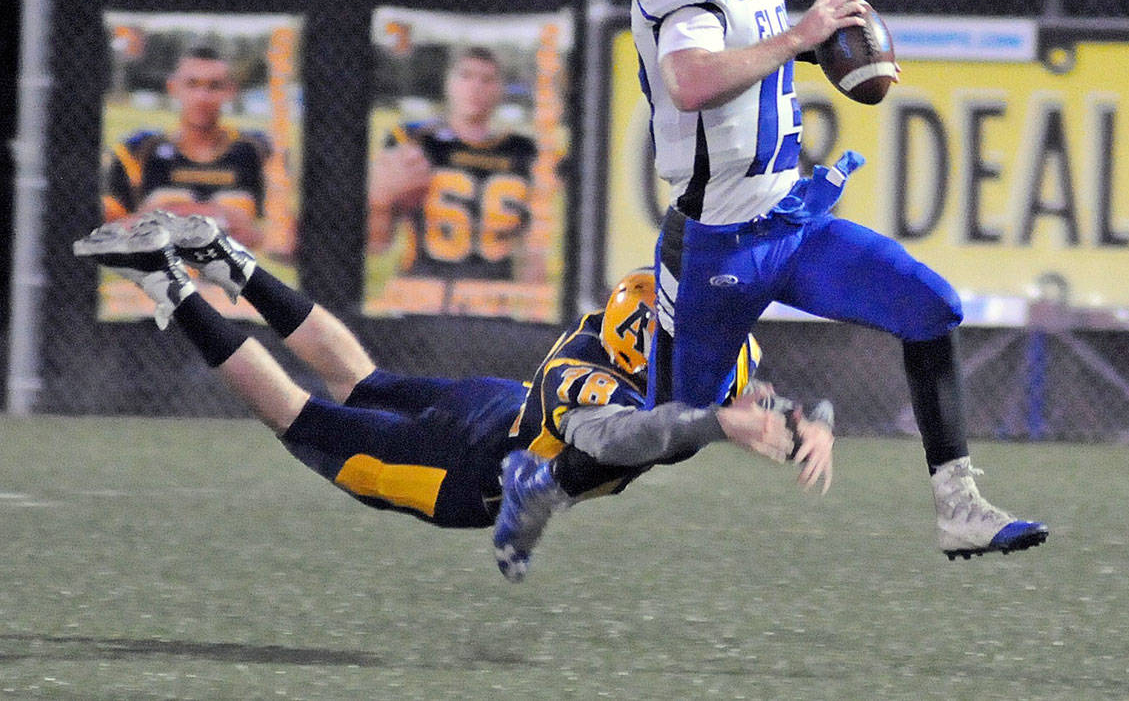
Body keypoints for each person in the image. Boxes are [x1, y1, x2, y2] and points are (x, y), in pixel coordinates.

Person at [627, 0, 1047, 560]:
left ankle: (959, 504)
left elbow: (750, 72)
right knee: (674, 429)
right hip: (719, 241)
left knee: (931, 307)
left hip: (791, 219)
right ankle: (547, 448)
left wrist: (823, 54)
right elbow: (691, 82)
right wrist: (798, 37)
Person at [72, 212, 833, 583]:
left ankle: (228, 262)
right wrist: (714, 423)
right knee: (299, 417)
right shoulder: (586, 382)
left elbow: (757, 399)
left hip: (495, 407)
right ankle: (167, 282)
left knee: (362, 382)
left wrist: (811, 425)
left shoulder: (697, 349)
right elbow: (620, 439)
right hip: (469, 469)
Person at [367, 46, 539, 285]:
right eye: (465, 76)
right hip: (423, 287)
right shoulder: (414, 140)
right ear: (448, 82)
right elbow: (376, 242)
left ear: (500, 88)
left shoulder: (523, 151)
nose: (475, 87)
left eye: (487, 79)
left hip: (494, 295)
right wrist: (381, 200)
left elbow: (534, 247)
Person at [102, 44, 269, 249]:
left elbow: (284, 239)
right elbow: (106, 229)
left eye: (214, 86)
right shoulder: (140, 149)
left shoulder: (256, 150)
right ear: (173, 87)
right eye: (192, 84)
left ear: (230, 91)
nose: (202, 97)